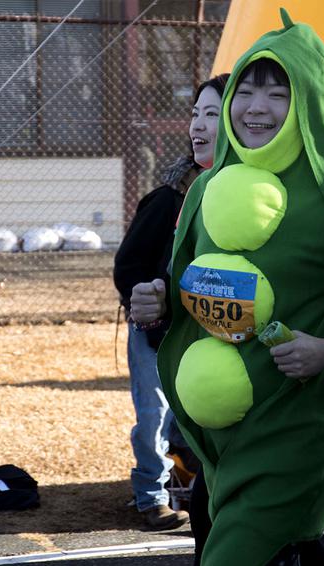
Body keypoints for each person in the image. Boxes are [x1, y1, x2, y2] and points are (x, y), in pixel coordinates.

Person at [133, 11, 324, 566]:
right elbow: (193, 283)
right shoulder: (208, 186)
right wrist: (160, 301)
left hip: (295, 431)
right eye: (246, 90)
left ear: (309, 101)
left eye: (279, 93)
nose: (256, 108)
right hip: (221, 441)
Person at [112, 73, 228, 531]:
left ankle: (207, 487)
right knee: (154, 415)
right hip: (156, 338)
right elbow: (129, 267)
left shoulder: (251, 199)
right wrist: (146, 297)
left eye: (212, 114)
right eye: (195, 113)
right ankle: (151, 496)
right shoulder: (168, 199)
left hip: (210, 339)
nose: (198, 124)